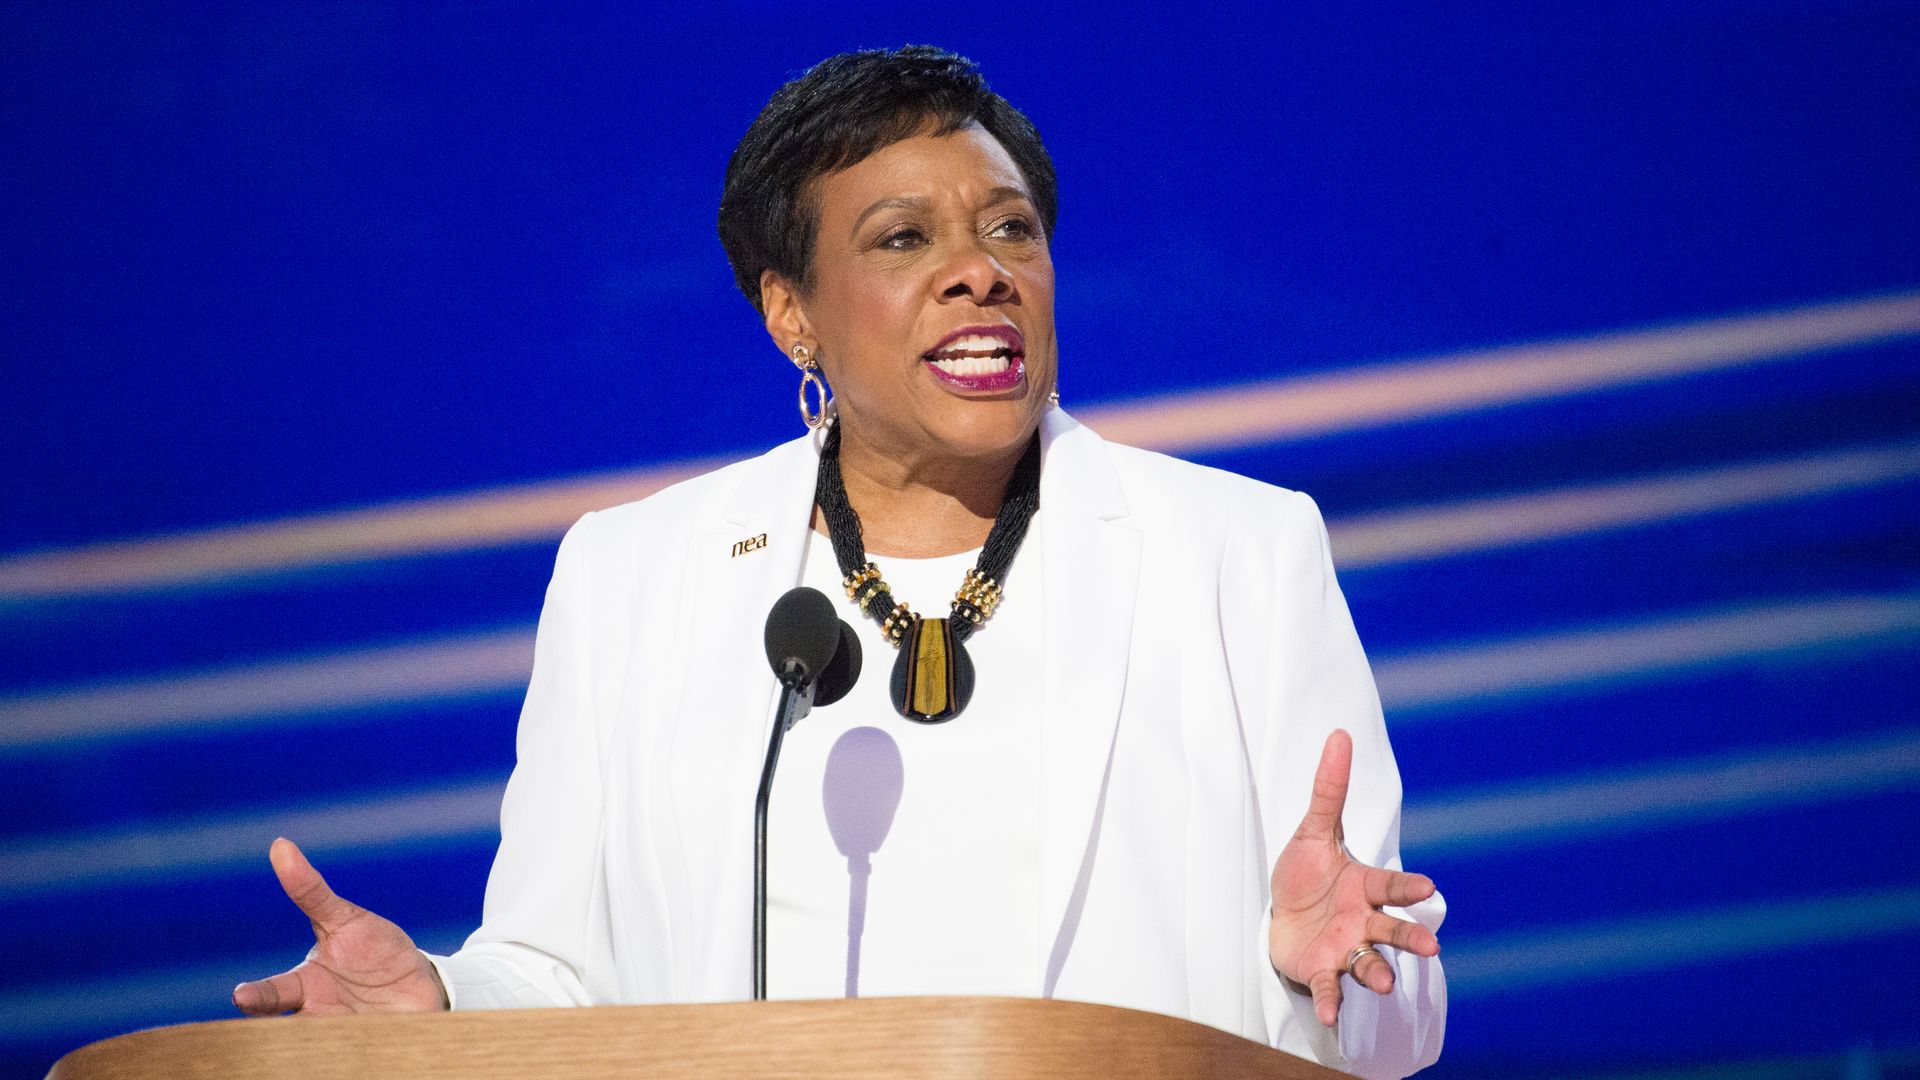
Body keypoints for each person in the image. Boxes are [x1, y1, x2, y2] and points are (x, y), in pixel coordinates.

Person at [233, 46, 1446, 1078]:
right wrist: (439, 1010)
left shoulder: (1236, 552)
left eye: (1011, 228)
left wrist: (1332, 973)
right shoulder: (634, 578)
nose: (982, 271)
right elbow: (558, 971)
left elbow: (1397, 1025)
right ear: (791, 313)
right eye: (904, 237)